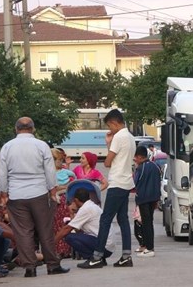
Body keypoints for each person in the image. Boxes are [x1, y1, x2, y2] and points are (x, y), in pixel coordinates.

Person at [0, 117, 70, 278]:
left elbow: (2, 173)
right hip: (39, 193)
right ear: (33, 129)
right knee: (45, 230)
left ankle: (29, 266)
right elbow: (50, 171)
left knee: (23, 232)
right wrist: (52, 191)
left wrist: (3, 193)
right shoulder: (41, 145)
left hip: (16, 195)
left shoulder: (7, 147)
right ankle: (52, 264)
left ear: (16, 129)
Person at [78, 109, 136, 269]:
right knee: (123, 219)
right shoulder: (130, 137)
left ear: (114, 122)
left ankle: (97, 256)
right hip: (126, 182)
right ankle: (126, 256)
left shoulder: (119, 137)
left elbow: (108, 162)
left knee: (105, 219)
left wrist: (109, 143)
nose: (110, 129)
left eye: (110, 125)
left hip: (117, 182)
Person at [54, 188, 115, 262]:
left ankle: (93, 259)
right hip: (107, 246)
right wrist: (71, 213)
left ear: (76, 200)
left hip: (104, 246)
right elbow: (77, 230)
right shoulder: (91, 205)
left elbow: (67, 229)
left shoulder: (85, 209)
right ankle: (99, 259)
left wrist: (51, 244)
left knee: (69, 237)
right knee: (71, 233)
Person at [133, 145, 161, 257]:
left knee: (145, 223)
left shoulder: (141, 168)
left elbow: (135, 182)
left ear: (139, 157)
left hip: (143, 198)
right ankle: (147, 246)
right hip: (154, 199)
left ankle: (149, 248)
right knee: (149, 222)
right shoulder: (156, 166)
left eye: (135, 157)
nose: (135, 159)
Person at [51, 148, 75, 258]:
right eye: (58, 160)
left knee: (60, 225)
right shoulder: (53, 172)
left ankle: (62, 249)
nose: (60, 162)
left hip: (60, 201)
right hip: (58, 200)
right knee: (58, 225)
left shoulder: (62, 172)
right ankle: (60, 249)